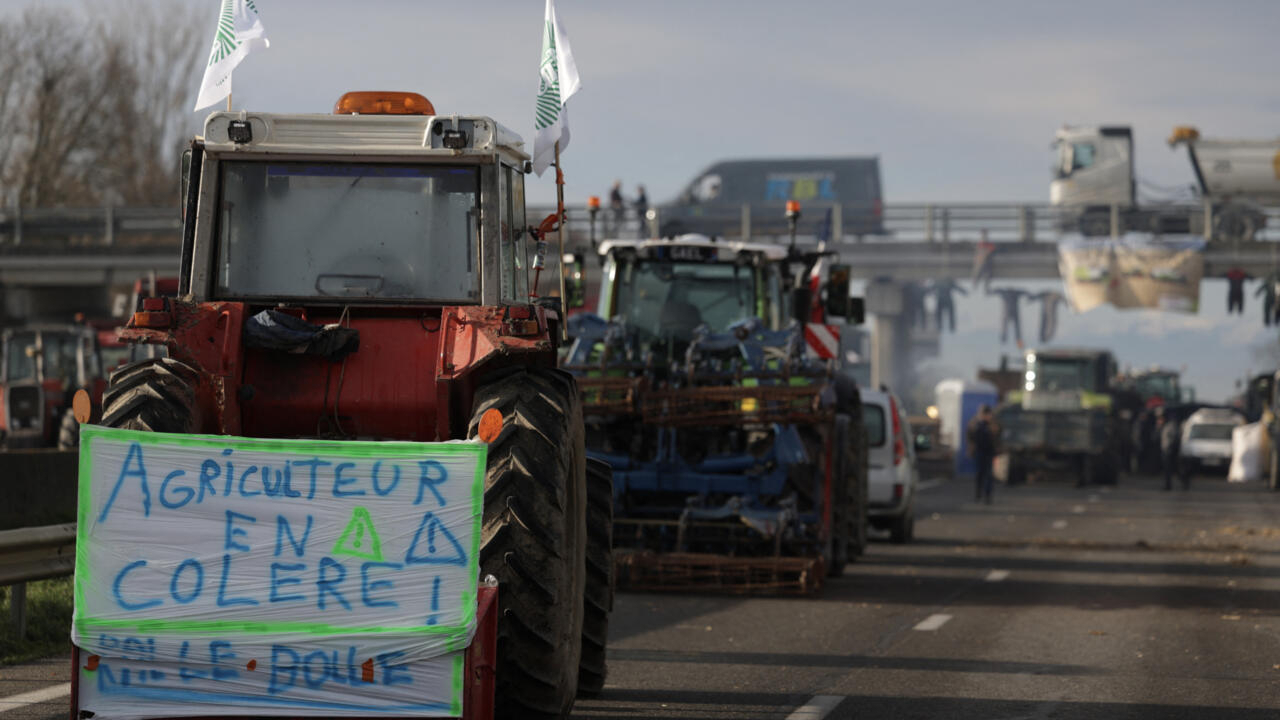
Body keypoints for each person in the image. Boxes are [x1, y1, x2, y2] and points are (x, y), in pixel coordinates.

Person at [967, 405, 998, 504]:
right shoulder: (975, 423)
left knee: (989, 475)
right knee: (979, 474)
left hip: (989, 452)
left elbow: (998, 434)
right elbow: (970, 436)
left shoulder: (992, 424)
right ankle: (978, 493)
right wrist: (971, 449)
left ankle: (987, 496)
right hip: (979, 452)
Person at [1158, 409, 1185, 491]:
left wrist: (1170, 448)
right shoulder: (1165, 425)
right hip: (1166, 450)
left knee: (1171, 469)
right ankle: (1170, 484)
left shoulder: (1171, 425)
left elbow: (1173, 438)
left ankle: (1180, 482)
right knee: (1170, 470)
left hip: (1169, 451)